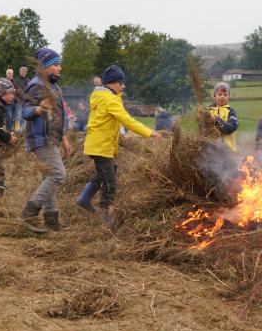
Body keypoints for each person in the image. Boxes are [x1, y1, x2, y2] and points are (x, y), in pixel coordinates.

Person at [76, 65, 163, 224]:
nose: (123, 86)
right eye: (120, 83)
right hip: (101, 146)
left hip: (97, 144)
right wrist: (150, 132)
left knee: (107, 173)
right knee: (110, 181)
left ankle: (84, 198)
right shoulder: (110, 99)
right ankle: (107, 213)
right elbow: (127, 120)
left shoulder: (101, 96)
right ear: (110, 83)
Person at [20, 48, 72, 233]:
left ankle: (51, 219)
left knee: (48, 177)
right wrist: (39, 110)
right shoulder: (36, 85)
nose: (60, 68)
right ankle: (29, 213)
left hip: (52, 138)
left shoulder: (54, 87)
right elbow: (25, 112)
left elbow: (60, 114)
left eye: (59, 64)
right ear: (45, 67)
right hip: (40, 139)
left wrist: (64, 138)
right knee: (58, 175)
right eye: (56, 65)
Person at [207, 82, 238, 151]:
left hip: (227, 150)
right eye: (219, 94)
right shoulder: (208, 111)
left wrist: (217, 120)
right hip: (211, 149)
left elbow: (231, 127)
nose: (222, 97)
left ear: (228, 96)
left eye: (225, 95)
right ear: (214, 96)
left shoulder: (231, 111)